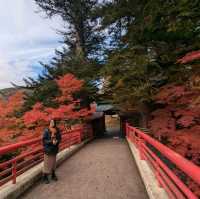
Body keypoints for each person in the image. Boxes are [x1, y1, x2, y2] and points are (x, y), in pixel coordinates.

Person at [42, 119, 61, 184]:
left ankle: (53, 175)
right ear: (49, 123)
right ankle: (45, 177)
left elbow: (59, 138)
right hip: (48, 149)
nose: (52, 123)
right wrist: (51, 142)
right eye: (51, 122)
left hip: (54, 149)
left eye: (53, 122)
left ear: (55, 123)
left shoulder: (57, 130)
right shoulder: (46, 130)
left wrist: (56, 141)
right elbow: (44, 140)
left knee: (53, 163)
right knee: (47, 164)